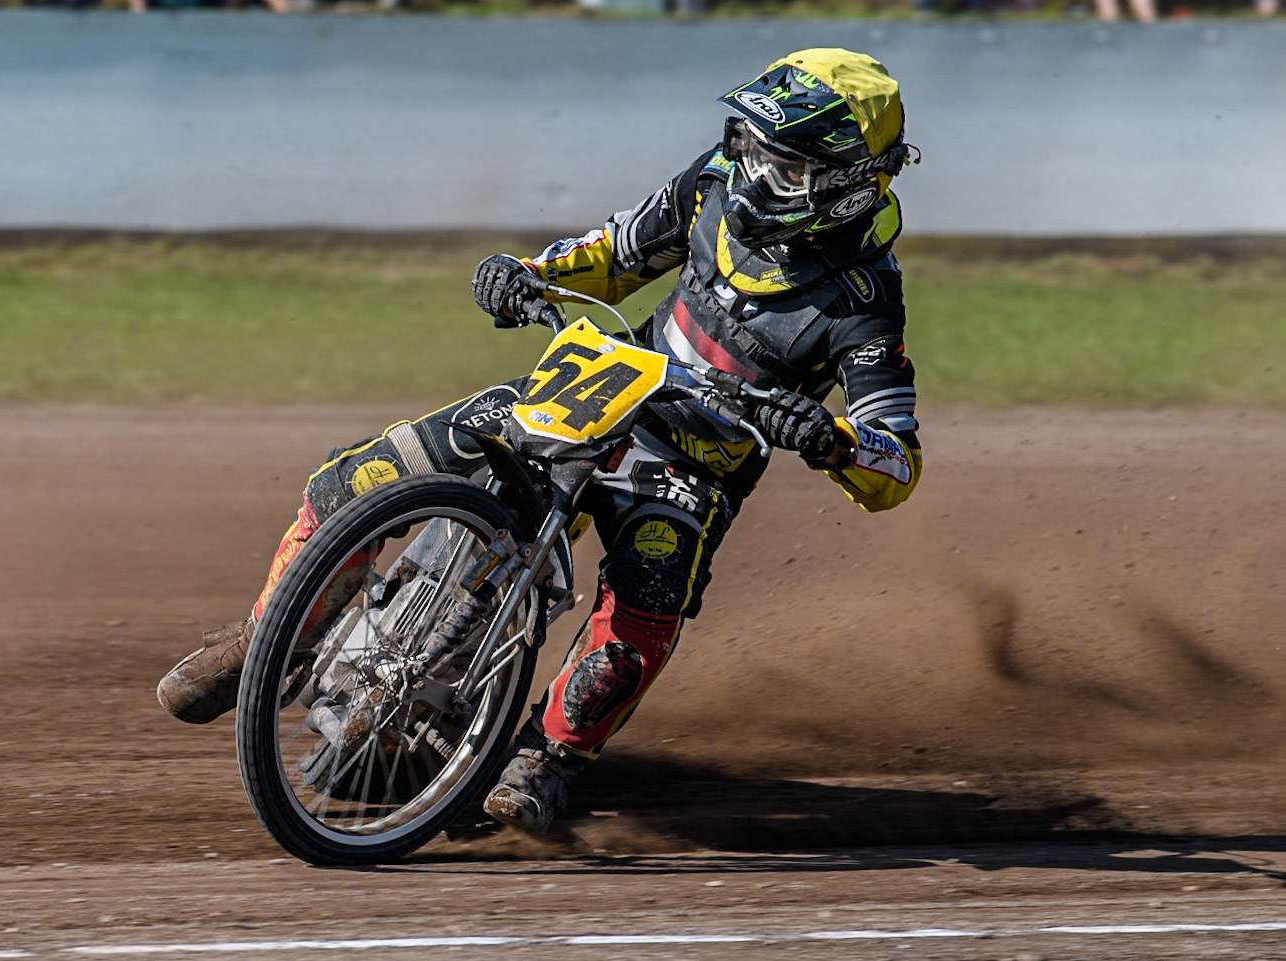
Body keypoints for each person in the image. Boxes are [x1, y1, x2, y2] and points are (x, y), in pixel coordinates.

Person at [157, 47, 924, 836]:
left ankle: (548, 759)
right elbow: (615, 254)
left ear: (847, 185)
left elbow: (894, 460)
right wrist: (526, 273)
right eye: (751, 151)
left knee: (644, 604)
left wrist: (828, 438)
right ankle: (263, 642)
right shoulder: (711, 185)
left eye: (785, 171)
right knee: (356, 479)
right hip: (603, 380)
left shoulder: (863, 304)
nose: (756, 179)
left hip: (698, 459)